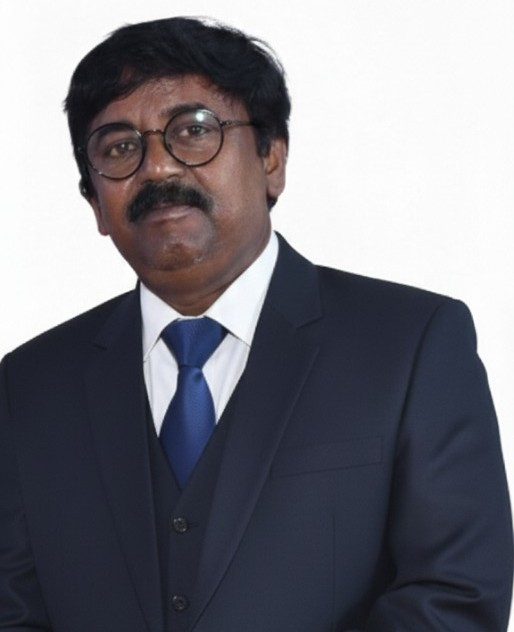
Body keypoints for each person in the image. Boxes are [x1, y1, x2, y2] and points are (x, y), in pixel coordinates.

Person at [0, 16, 512, 632]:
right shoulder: (29, 386)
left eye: (194, 131)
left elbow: (455, 597)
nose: (158, 169)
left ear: (272, 158)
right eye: (119, 148)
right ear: (94, 203)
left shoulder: (411, 345)